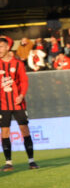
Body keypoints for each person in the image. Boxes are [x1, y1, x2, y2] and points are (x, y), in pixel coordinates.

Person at [0, 37, 37, 171]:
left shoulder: (17, 64)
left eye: (1, 47)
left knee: (24, 130)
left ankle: (31, 161)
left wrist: (21, 95)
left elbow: (24, 81)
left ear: (7, 47)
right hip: (3, 104)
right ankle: (9, 162)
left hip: (18, 103)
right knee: (4, 132)